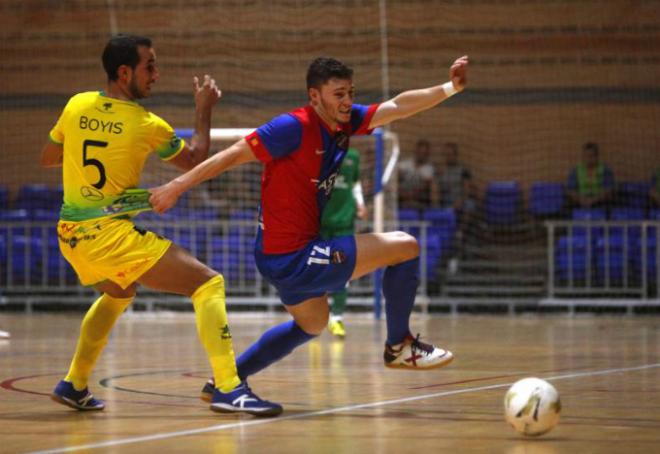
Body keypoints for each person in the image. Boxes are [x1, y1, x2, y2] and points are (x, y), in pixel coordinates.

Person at [150, 55, 469, 408]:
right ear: (314, 96)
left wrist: (449, 87)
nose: (347, 101)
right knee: (405, 245)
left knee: (313, 323)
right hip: (290, 255)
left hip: (287, 253)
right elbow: (230, 156)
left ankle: (227, 380)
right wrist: (176, 186)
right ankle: (399, 346)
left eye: (350, 92)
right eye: (338, 94)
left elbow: (397, 106)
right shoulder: (291, 127)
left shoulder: (345, 121)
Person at [40, 34, 280, 416]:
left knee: (119, 292)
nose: (156, 74)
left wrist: (95, 147)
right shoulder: (147, 123)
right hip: (108, 235)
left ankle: (73, 383)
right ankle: (229, 388)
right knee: (208, 282)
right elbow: (196, 161)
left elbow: (50, 157)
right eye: (149, 66)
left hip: (70, 234)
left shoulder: (77, 104)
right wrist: (203, 108)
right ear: (124, 72)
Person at [320, 147, 367, 338]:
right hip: (320, 224)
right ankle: (318, 318)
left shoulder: (353, 156)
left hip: (344, 224)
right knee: (318, 271)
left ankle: (336, 318)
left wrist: (360, 202)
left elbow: (355, 183)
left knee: (342, 270)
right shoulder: (318, 153)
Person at [438, 142, 478, 273]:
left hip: (460, 201)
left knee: (470, 205)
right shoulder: (441, 171)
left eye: (451, 154)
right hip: (446, 203)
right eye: (446, 155)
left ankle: (461, 231)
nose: (448, 157)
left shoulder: (463, 170)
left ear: (455, 155)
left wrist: (460, 201)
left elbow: (468, 190)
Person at [566, 142, 615, 211]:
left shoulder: (605, 170)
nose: (589, 159)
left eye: (591, 156)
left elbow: (608, 190)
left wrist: (593, 200)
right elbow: (570, 190)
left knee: (610, 202)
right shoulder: (576, 171)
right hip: (581, 199)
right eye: (586, 156)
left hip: (599, 200)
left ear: (597, 156)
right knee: (567, 205)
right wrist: (581, 199)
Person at [398, 139, 439, 211]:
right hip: (402, 195)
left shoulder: (429, 168)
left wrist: (412, 195)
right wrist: (403, 193)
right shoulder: (405, 164)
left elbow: (425, 186)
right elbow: (395, 178)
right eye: (420, 152)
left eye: (424, 153)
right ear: (416, 151)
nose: (422, 155)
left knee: (434, 185)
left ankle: (434, 211)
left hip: (418, 197)